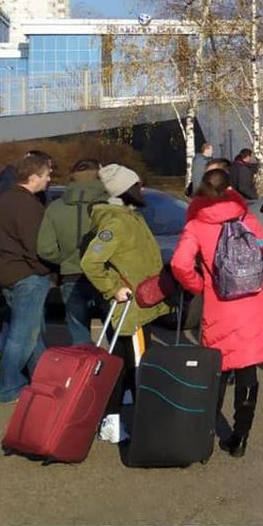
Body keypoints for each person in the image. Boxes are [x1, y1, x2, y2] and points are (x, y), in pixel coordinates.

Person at [171, 169, 263, 457]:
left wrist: (200, 285)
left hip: (220, 306)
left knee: (216, 372)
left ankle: (204, 434)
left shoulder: (196, 225)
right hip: (253, 305)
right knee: (248, 371)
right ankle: (240, 436)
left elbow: (180, 264)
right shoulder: (249, 220)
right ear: (230, 189)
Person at [81, 164, 172, 442]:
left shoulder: (129, 216)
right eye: (137, 185)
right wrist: (113, 288)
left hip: (143, 306)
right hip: (130, 311)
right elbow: (90, 261)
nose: (142, 189)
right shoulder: (116, 223)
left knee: (123, 363)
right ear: (125, 191)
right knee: (134, 366)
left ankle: (115, 416)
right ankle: (117, 422)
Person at [0, 154, 54, 403]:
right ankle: (9, 388)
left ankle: (41, 380)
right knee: (22, 336)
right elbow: (36, 245)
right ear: (33, 176)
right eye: (47, 175)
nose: (49, 179)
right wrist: (43, 270)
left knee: (31, 334)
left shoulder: (3, 201)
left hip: (8, 273)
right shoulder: (27, 205)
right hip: (27, 275)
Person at [37, 159, 107, 346]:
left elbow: (45, 249)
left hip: (71, 276)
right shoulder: (111, 205)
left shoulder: (55, 207)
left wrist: (66, 260)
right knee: (116, 333)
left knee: (79, 333)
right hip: (106, 275)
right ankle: (121, 372)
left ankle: (84, 373)